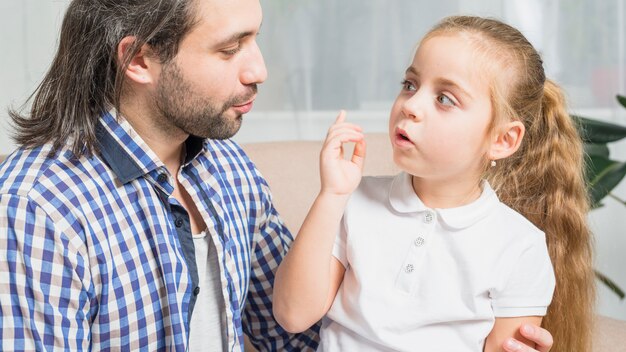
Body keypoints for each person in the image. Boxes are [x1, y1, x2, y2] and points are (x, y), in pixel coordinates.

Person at [0, 0, 556, 350]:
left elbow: (293, 328)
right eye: (230, 48)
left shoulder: (226, 167)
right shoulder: (37, 206)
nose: (260, 69)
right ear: (140, 60)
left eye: (255, 37)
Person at [273, 15, 594, 352]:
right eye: (410, 84)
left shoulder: (520, 247)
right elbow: (292, 314)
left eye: (445, 99)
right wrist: (332, 195)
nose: (410, 105)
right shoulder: (354, 201)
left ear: (502, 140)